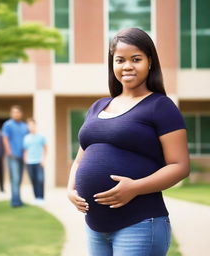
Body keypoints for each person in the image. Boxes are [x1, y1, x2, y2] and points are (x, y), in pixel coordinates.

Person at [67, 27, 190, 256]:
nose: (127, 66)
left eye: (136, 59)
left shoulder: (160, 107)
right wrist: (70, 188)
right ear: (112, 64)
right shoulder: (98, 106)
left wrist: (135, 188)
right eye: (120, 60)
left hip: (140, 224)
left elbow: (180, 166)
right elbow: (80, 159)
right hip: (95, 228)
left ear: (150, 62)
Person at [2, 105, 29, 207]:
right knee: (15, 178)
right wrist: (9, 152)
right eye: (14, 112)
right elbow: (5, 139)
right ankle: (15, 202)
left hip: (22, 156)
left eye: (18, 112)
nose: (16, 114)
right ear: (11, 113)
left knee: (19, 179)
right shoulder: (7, 125)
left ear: (21, 114)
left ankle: (17, 199)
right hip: (13, 156)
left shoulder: (24, 126)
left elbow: (27, 140)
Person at [23, 118, 47, 206]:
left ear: (35, 125)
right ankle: (36, 198)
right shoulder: (26, 138)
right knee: (33, 180)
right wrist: (25, 160)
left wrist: (43, 159)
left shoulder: (41, 137)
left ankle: (41, 198)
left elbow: (45, 149)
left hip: (39, 162)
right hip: (29, 162)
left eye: (32, 125)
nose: (31, 127)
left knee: (40, 180)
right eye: (29, 125)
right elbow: (25, 150)